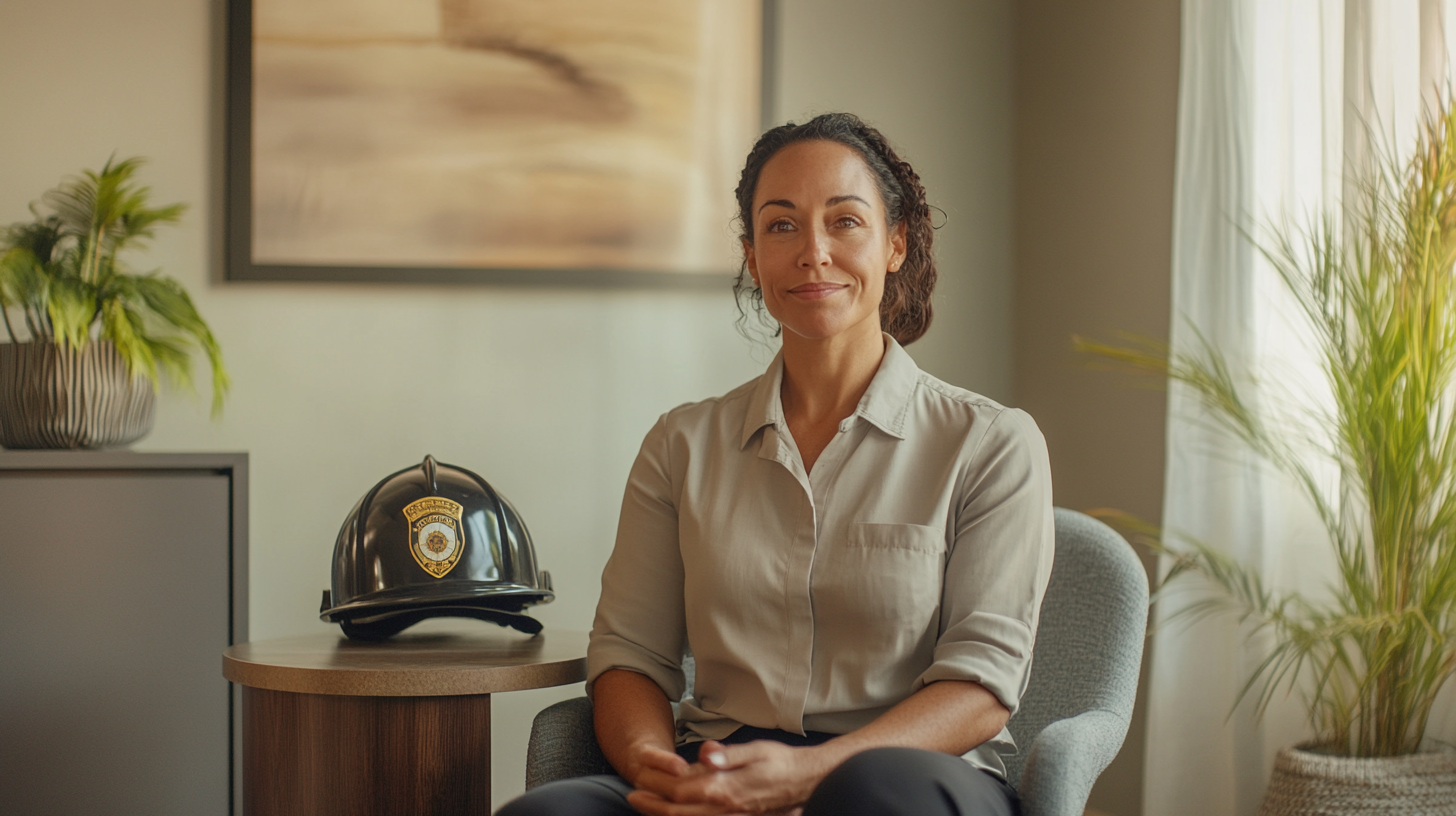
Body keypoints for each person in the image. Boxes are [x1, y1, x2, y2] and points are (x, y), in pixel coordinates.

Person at [497, 112, 1054, 816]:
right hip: (721, 768)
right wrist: (658, 768)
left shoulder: (992, 444)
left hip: (908, 776)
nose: (813, 252)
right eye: (782, 226)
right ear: (753, 257)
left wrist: (808, 777)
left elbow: (980, 691)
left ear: (895, 243)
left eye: (845, 221)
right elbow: (629, 657)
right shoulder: (681, 444)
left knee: (872, 794)